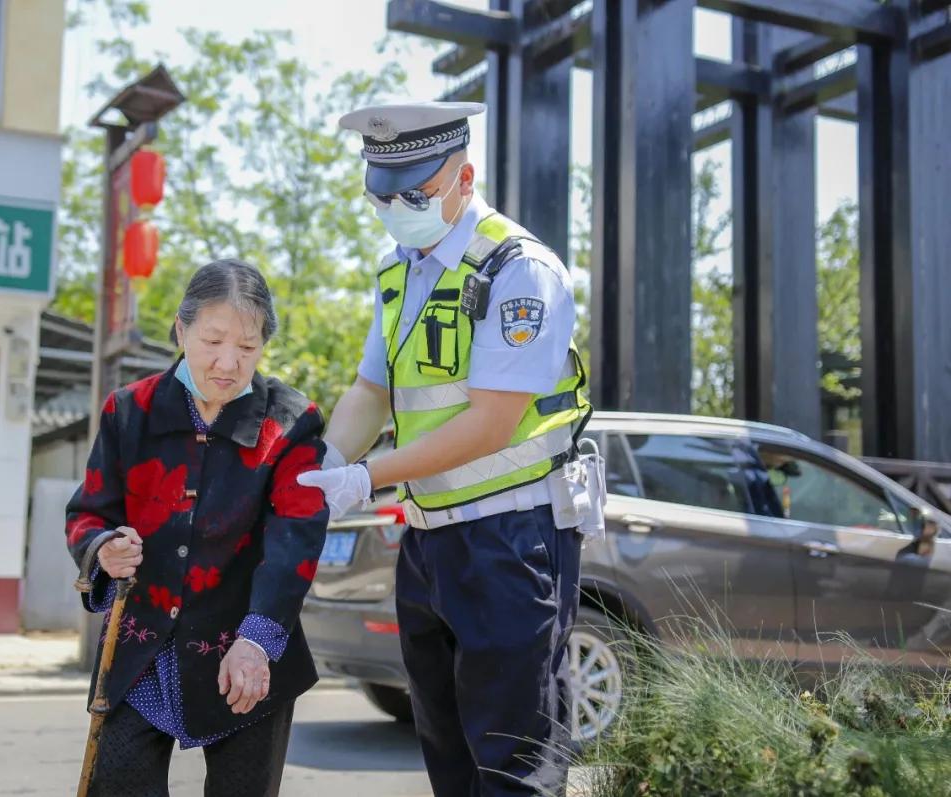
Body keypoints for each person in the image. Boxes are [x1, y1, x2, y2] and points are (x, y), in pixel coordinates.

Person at [298, 102, 596, 796]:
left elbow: (492, 424)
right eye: (382, 193)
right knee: (447, 755)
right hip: (430, 540)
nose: (397, 207)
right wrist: (326, 466)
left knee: (511, 762)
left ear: (464, 176)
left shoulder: (518, 270)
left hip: (511, 540)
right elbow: (370, 392)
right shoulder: (398, 272)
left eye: (414, 193)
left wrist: (369, 475)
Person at [65, 259, 329, 796]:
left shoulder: (290, 422)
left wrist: (257, 643)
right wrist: (102, 548)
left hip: (243, 648)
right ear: (181, 330)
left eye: (248, 347)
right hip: (140, 647)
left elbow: (295, 540)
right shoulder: (130, 411)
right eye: (212, 341)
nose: (229, 363)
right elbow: (89, 512)